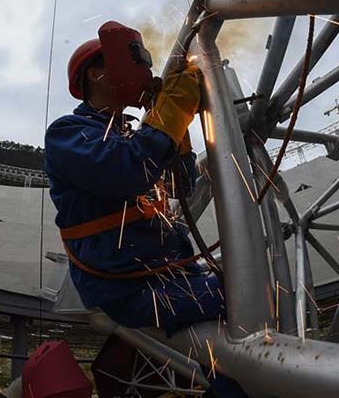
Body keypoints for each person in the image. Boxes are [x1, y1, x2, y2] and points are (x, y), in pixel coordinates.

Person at [44, 23, 245, 396]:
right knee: (244, 297)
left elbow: (181, 187)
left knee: (243, 320)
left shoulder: (129, 134)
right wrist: (171, 113)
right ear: (94, 72)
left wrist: (176, 131)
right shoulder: (68, 133)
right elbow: (127, 169)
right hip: (129, 290)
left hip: (167, 276)